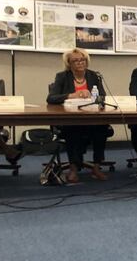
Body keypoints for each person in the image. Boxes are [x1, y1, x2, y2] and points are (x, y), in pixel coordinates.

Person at [46, 48, 109, 183]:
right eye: (75, 60)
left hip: (92, 118)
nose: (80, 63)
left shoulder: (94, 76)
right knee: (73, 130)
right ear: (69, 63)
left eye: (82, 60)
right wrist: (72, 95)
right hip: (70, 118)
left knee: (102, 128)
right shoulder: (62, 77)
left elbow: (103, 97)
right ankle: (73, 168)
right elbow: (51, 98)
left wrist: (95, 98)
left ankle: (97, 166)